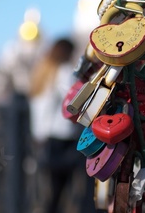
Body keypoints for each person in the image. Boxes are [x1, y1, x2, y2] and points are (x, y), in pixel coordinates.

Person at [28, 37, 90, 213]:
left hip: (47, 138)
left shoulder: (43, 72)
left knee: (54, 192)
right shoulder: (63, 71)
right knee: (80, 188)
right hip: (65, 138)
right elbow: (74, 100)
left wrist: (39, 134)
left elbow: (40, 108)